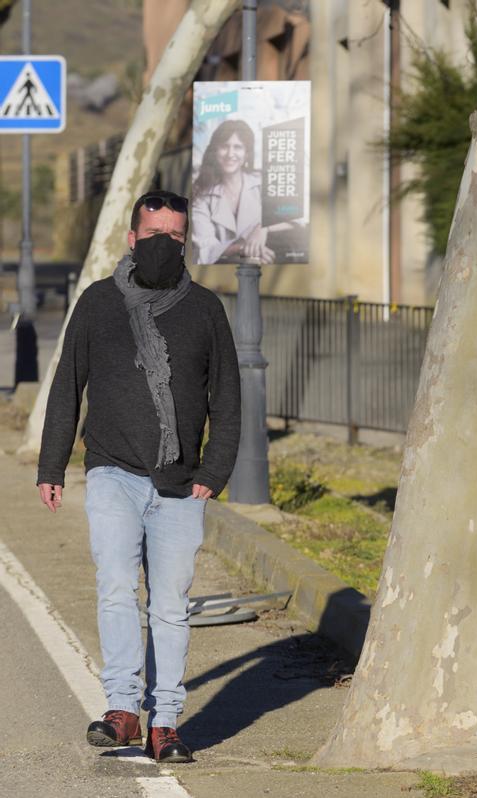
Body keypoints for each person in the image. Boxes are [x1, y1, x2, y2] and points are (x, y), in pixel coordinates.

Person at [35, 190, 241, 764]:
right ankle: (123, 710)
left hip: (181, 482)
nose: (163, 246)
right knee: (117, 588)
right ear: (131, 239)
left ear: (185, 243)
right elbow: (66, 385)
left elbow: (226, 395)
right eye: (153, 236)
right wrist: (52, 465)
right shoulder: (99, 302)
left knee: (170, 605)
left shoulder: (204, 309)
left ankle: (166, 723)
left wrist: (214, 470)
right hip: (112, 471)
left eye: (174, 238)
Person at [191, 119, 276, 265]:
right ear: (215, 151)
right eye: (224, 146)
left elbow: (294, 219)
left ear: (247, 153)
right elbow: (206, 247)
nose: (230, 154)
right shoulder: (200, 195)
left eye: (238, 147)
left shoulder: (263, 183)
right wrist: (244, 249)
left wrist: (262, 227)